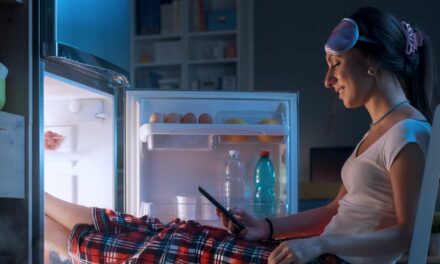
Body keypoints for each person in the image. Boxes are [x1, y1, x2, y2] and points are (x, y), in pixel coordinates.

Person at [44, 6, 434, 264]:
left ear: (371, 62)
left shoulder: (409, 134)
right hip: (316, 254)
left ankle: (32, 211)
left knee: (175, 251)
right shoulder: (380, 133)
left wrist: (321, 243)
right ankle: (36, 200)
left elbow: (405, 236)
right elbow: (334, 212)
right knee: (177, 231)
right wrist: (267, 228)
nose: (328, 79)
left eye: (336, 65)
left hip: (330, 259)